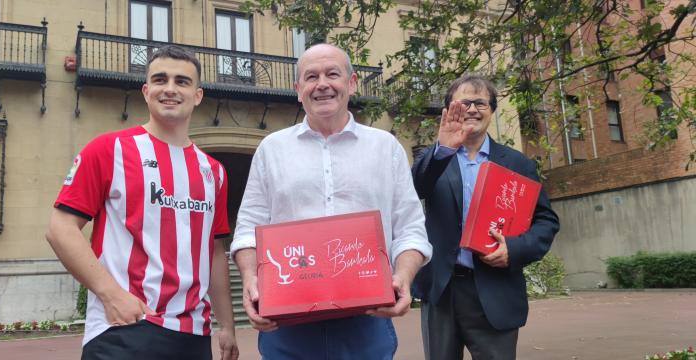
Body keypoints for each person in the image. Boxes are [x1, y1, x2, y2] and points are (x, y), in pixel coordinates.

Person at [230, 43, 433, 359]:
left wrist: (403, 276)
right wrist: (251, 279)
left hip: (368, 319)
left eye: (332, 74)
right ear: (299, 90)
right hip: (288, 321)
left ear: (351, 84)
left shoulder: (386, 148)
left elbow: (410, 229)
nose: (322, 84)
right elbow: (247, 230)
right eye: (311, 77)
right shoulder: (272, 149)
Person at [46, 45, 239, 360]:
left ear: (198, 95)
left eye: (182, 81)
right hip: (124, 327)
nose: (170, 89)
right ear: (146, 91)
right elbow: (60, 228)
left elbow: (215, 252)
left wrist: (227, 326)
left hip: (193, 337)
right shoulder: (109, 150)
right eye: (160, 80)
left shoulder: (213, 172)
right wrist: (111, 296)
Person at [411, 74, 560, 360]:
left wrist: (514, 249)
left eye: (480, 103)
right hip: (442, 290)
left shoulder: (517, 163)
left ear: (491, 110)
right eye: (463, 102)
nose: (471, 109)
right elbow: (414, 188)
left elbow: (546, 221)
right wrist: (443, 148)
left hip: (495, 290)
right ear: (449, 110)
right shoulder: (434, 158)